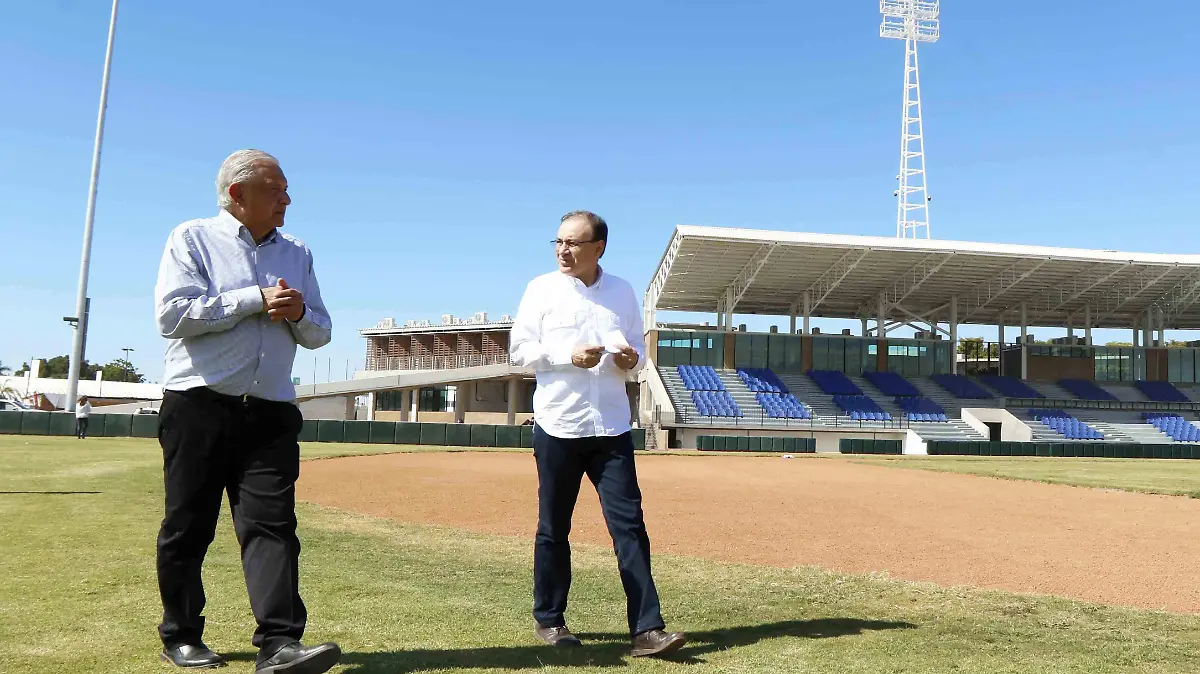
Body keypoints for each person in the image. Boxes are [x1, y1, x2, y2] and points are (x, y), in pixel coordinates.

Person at [152, 150, 340, 673]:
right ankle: (182, 634)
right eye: (275, 188)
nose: (287, 198)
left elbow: (322, 330)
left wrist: (299, 312)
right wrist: (253, 299)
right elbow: (173, 315)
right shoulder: (191, 238)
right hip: (198, 405)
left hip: (271, 410)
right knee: (189, 526)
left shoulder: (297, 251)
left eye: (286, 188)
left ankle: (280, 644)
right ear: (237, 194)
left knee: (273, 527)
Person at [510, 210, 686, 658]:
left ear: (598, 248)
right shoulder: (540, 289)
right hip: (559, 425)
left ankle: (647, 630)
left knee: (630, 528)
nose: (562, 250)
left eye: (573, 243)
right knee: (553, 529)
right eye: (558, 242)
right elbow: (519, 351)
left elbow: (638, 355)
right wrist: (569, 356)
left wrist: (631, 361)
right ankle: (550, 621)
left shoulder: (623, 292)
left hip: (610, 428)